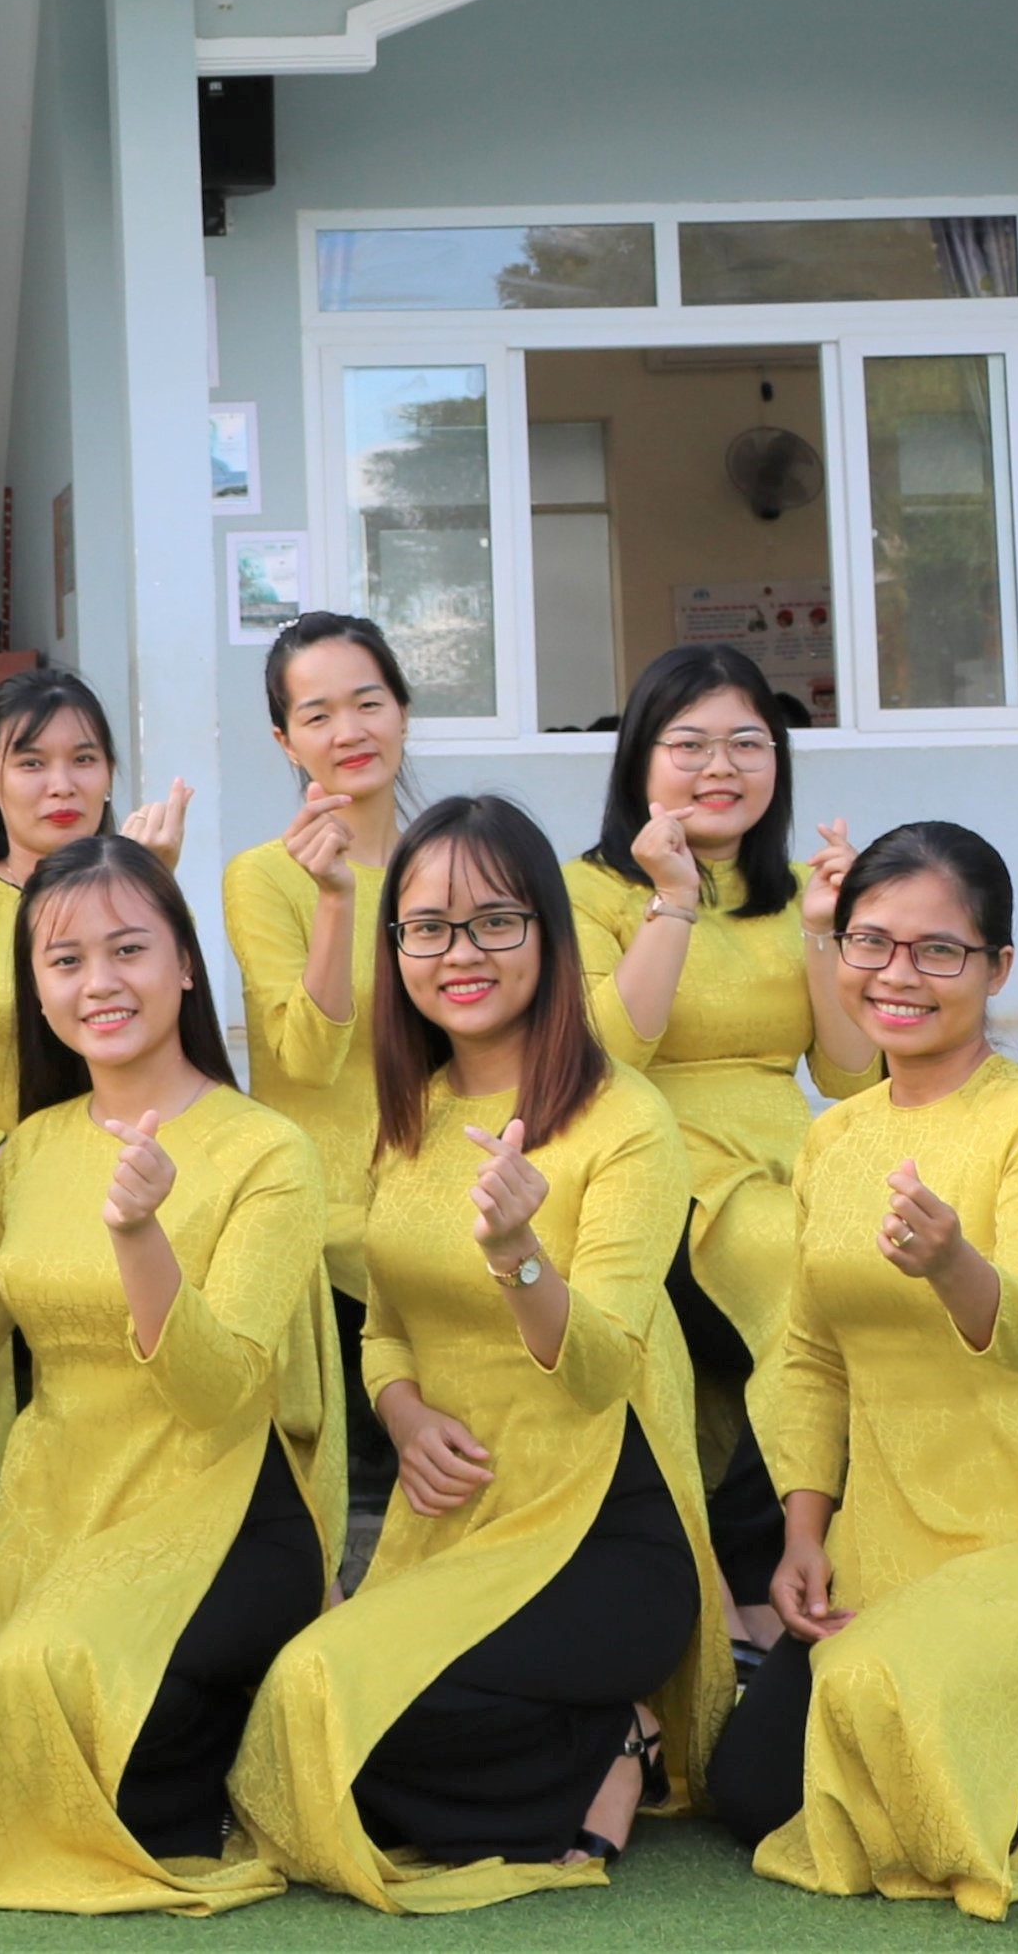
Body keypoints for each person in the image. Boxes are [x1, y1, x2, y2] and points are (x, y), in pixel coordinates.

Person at [231, 795, 726, 1912]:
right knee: (305, 1703)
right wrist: (403, 1414)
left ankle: (610, 1738)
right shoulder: (413, 1110)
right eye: (428, 927)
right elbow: (383, 1326)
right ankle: (603, 1740)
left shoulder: (625, 1120)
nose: (460, 953)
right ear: (395, 946)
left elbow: (600, 1369)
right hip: (455, 1519)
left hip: (601, 1530)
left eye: (495, 921)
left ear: (548, 932)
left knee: (359, 1711)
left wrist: (519, 1256)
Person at [713, 823, 1018, 1914]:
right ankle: (1000, 1726)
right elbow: (809, 1356)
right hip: (895, 1522)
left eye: (938, 950)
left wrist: (954, 1266)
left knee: (883, 1691)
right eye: (871, 942)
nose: (898, 974)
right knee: (758, 1790)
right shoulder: (834, 1138)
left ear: (997, 967)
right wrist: (803, 1528)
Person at [0, 833, 339, 1915]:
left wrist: (140, 1237)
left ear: (185, 964)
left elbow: (220, 1392)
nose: (99, 982)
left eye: (128, 949)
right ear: (36, 991)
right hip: (54, 1522)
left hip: (219, 1515)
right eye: (65, 959)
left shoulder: (267, 1150)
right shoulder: (29, 1152)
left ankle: (223, 1752)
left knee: (53, 1681)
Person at [566, 644, 879, 1633]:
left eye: (748, 742)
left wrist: (826, 927)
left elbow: (847, 1073)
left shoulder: (804, 887)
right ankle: (755, 1571)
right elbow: (608, 1051)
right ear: (638, 761)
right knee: (807, 1285)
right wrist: (671, 899)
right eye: (689, 743)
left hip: (794, 1164)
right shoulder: (590, 890)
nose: (721, 767)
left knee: (873, 1275)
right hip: (659, 1169)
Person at [0, 666, 182, 1507]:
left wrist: (150, 887)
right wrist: (24, 1178)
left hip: (129, 1182)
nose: (62, 783)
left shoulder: (148, 904)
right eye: (31, 761)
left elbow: (168, 1051)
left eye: (84, 759)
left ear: (111, 774)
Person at [218, 614, 412, 1440]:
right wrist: (335, 899)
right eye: (318, 715)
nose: (350, 732)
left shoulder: (452, 864)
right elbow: (305, 1056)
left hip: (453, 1188)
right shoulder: (263, 877)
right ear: (286, 741)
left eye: (368, 703)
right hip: (327, 1214)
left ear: (403, 711)